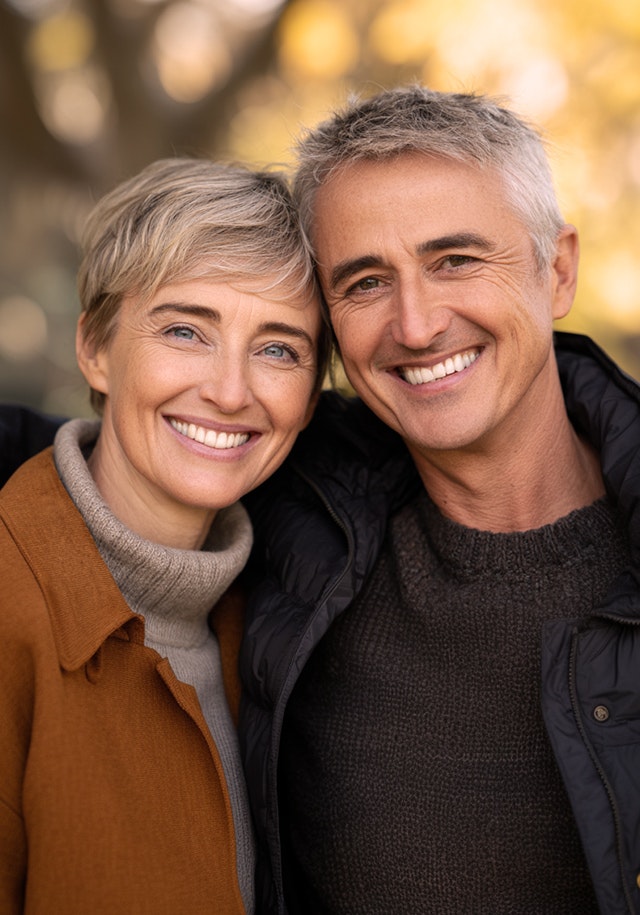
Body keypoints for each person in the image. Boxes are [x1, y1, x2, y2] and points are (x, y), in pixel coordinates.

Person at [236, 88, 640, 914]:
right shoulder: (288, 511)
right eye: (365, 282)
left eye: (455, 259)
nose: (416, 325)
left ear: (556, 269)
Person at [0, 156, 328, 914]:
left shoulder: (286, 626)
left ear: (310, 400)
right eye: (185, 329)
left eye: (279, 348)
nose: (229, 389)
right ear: (96, 349)